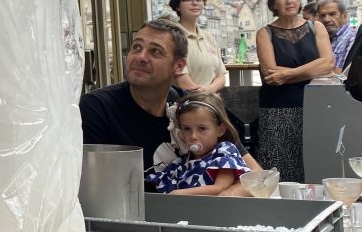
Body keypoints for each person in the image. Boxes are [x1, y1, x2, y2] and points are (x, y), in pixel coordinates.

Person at [79, 18, 260, 191]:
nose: (141, 57)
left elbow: (257, 175)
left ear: (179, 66)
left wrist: (216, 198)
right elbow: (93, 191)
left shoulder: (194, 107)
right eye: (136, 47)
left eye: (155, 51)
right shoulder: (97, 108)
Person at [255, 0, 333, 183]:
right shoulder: (265, 33)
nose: (289, 1)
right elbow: (271, 73)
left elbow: (327, 65)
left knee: (314, 162)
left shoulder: (316, 27)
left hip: (314, 106)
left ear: (299, 0)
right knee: (279, 167)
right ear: (274, 4)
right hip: (278, 110)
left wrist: (287, 75)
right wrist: (311, 70)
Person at [145, 92, 249, 195]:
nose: (193, 136)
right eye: (187, 129)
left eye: (202, 128)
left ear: (220, 130)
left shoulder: (224, 152)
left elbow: (220, 188)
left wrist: (178, 194)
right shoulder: (182, 162)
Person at [167, 0, 226, 94]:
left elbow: (221, 76)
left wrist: (209, 90)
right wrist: (206, 94)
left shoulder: (208, 37)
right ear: (177, 6)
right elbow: (184, 83)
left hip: (212, 103)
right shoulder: (172, 37)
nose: (194, 3)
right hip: (189, 105)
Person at [316, 0, 357, 70]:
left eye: (332, 14)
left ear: (344, 15)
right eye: (323, 15)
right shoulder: (321, 38)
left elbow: (344, 73)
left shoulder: (352, 37)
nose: (327, 19)